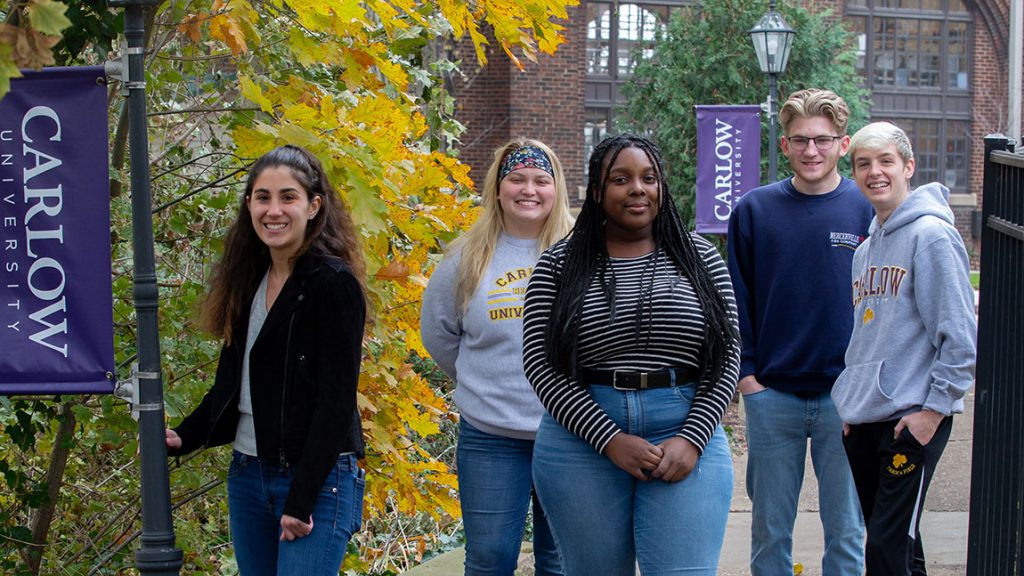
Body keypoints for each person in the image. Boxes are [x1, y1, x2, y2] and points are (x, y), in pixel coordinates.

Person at [522, 134, 740, 575]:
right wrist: (609, 439)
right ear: (598, 192)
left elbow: (727, 355)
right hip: (582, 439)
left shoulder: (700, 257)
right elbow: (541, 363)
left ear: (662, 187)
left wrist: (694, 437)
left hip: (685, 428)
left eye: (649, 178)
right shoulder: (559, 264)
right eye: (621, 179)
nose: (638, 188)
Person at [165, 145, 368, 575]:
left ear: (314, 206)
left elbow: (336, 402)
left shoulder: (334, 286)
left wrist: (302, 496)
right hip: (247, 475)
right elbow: (230, 385)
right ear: (248, 204)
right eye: (263, 197)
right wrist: (184, 436)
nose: (273, 210)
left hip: (317, 479)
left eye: (287, 197)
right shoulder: (248, 279)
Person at [726, 88, 870, 575]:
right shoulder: (755, 210)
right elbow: (736, 300)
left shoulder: (866, 210)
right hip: (773, 395)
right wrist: (748, 379)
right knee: (770, 532)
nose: (812, 150)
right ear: (784, 145)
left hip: (847, 399)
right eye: (800, 140)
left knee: (848, 530)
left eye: (823, 140)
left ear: (842, 144)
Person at [420, 138, 573, 576]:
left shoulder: (581, 252)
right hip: (490, 438)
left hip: (569, 434)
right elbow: (439, 335)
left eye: (541, 180)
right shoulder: (465, 256)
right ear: (499, 187)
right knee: (489, 561)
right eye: (517, 179)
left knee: (561, 562)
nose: (530, 190)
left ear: (555, 188)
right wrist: (482, 379)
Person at [833, 121, 976, 575]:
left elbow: (959, 333)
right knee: (898, 549)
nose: (875, 172)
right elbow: (867, 337)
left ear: (908, 166)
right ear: (854, 174)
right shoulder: (865, 250)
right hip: (866, 419)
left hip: (910, 419)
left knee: (885, 551)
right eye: (863, 164)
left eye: (885, 161)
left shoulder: (931, 235)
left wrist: (934, 411)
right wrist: (852, 409)